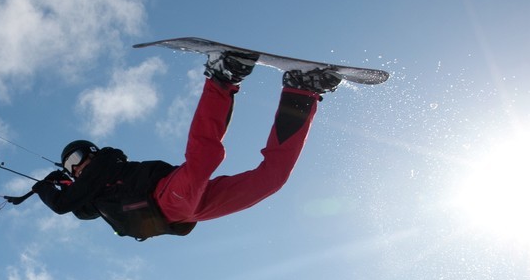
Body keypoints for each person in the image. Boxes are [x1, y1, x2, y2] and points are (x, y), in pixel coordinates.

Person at [31, 52, 341, 240]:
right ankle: (300, 92)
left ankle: (221, 76)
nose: (77, 165)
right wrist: (57, 183)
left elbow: (62, 204)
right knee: (271, 180)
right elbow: (75, 207)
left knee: (204, 160)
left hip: (167, 198)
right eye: (71, 165)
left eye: (79, 156)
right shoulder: (89, 201)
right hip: (183, 212)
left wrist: (42, 187)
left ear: (93, 154)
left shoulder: (105, 165)